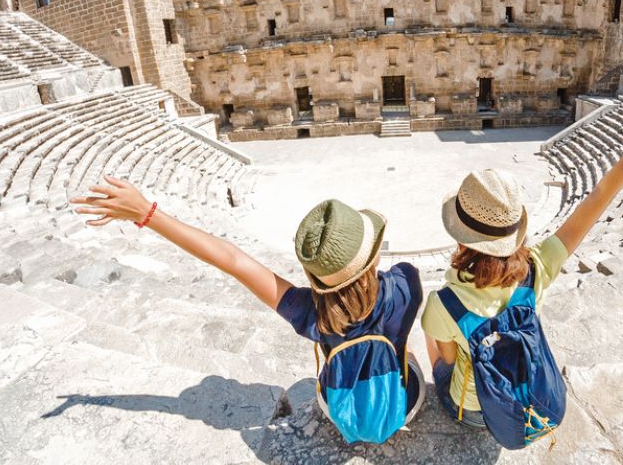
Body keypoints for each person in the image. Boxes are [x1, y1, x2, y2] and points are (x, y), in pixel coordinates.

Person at [422, 76, 623, 435]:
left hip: (479, 412)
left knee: (433, 339)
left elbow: (449, 360)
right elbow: (602, 194)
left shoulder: (443, 303)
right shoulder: (537, 268)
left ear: (461, 238)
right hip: (529, 396)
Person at [70, 186, 424, 444]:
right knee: (404, 351)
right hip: (400, 406)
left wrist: (148, 213)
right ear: (373, 256)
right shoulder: (407, 284)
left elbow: (232, 260)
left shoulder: (310, 313)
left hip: (337, 408)